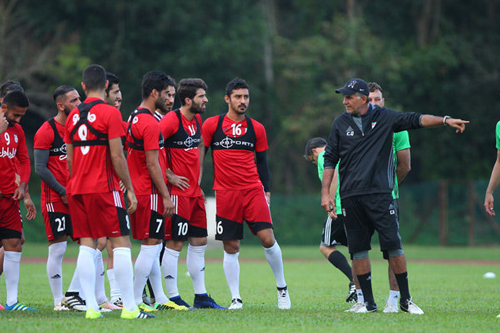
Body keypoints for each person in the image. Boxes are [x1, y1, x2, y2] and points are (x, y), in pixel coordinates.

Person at [321, 78, 468, 314]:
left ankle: (405, 300)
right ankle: (367, 304)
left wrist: (445, 120)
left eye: (349, 97)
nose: (344, 101)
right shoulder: (339, 123)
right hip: (350, 196)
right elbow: (330, 159)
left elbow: (415, 119)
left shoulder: (385, 117)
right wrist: (326, 194)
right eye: (344, 97)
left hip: (381, 195)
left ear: (362, 98)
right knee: (358, 250)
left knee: (394, 247)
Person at [65, 64, 152, 319]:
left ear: (83, 87)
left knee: (87, 245)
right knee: (121, 243)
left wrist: (77, 181)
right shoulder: (110, 114)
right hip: (104, 187)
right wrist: (131, 190)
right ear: (105, 86)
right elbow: (117, 155)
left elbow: (69, 160)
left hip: (77, 188)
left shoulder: (72, 116)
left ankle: (91, 309)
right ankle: (130, 309)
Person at [202, 78, 291, 310]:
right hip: (225, 194)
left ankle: (282, 289)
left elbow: (263, 163)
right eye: (238, 97)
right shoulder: (212, 125)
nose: (243, 101)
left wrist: (267, 191)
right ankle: (235, 298)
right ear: (227, 99)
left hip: (253, 191)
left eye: (246, 97)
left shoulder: (256, 128)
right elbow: (199, 157)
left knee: (267, 239)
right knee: (231, 246)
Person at [160, 78, 224, 309]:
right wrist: (169, 175)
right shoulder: (170, 121)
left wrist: (198, 176)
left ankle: (201, 296)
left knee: (199, 242)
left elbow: (199, 148)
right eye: (201, 96)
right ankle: (173, 297)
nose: (206, 99)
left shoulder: (197, 119)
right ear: (188, 100)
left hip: (194, 193)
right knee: (175, 243)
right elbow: (149, 150)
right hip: (177, 194)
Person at [126, 71, 185, 312]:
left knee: (154, 243)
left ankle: (159, 298)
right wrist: (165, 195)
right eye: (167, 94)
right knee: (151, 245)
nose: (171, 99)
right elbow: (152, 164)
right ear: (154, 93)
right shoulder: (150, 122)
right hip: (149, 192)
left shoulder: (134, 117)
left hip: (140, 190)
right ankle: (136, 300)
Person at [34, 86, 83, 311]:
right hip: (55, 198)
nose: (79, 103)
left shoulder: (80, 129)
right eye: (74, 100)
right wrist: (63, 191)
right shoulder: (47, 130)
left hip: (78, 196)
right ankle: (57, 301)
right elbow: (40, 168)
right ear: (61, 105)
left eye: (80, 99)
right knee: (58, 248)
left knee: (91, 245)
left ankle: (79, 296)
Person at [367, 81, 411, 313]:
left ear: (383, 102)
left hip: (386, 197)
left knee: (392, 248)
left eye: (378, 99)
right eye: (370, 99)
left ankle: (394, 299)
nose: (374, 103)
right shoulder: (353, 125)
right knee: (358, 249)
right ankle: (363, 301)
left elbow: (404, 165)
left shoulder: (396, 127)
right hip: (358, 198)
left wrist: (386, 185)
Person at [303, 137, 357, 303]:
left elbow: (333, 176)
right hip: (355, 204)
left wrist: (330, 200)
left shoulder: (323, 156)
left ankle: (354, 282)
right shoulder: (340, 153)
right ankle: (361, 290)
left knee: (325, 247)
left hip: (339, 206)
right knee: (356, 249)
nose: (315, 163)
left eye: (312, 160)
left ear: (313, 152)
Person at [0, 90, 36, 311]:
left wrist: (22, 185)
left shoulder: (18, 131)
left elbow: (23, 158)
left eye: (22, 115)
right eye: (16, 115)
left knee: (14, 244)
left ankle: (12, 301)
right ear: (4, 108)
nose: (19, 120)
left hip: (9, 197)